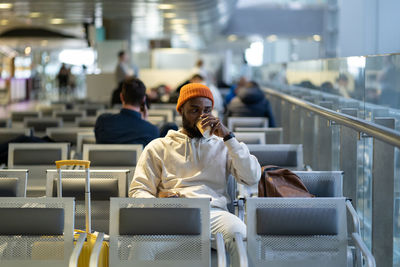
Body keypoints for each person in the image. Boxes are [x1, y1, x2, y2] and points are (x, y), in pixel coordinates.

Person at [129, 83, 261, 266]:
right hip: (171, 215)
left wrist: (229, 138)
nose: (201, 116)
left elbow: (252, 177)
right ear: (181, 110)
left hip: (213, 214)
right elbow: (138, 190)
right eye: (194, 110)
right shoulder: (158, 147)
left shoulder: (224, 145)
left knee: (241, 236)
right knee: (140, 245)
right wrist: (157, 203)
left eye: (207, 110)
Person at [95, 77, 159, 146]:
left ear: (121, 97)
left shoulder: (103, 121)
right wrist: (144, 123)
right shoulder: (152, 131)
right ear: (143, 100)